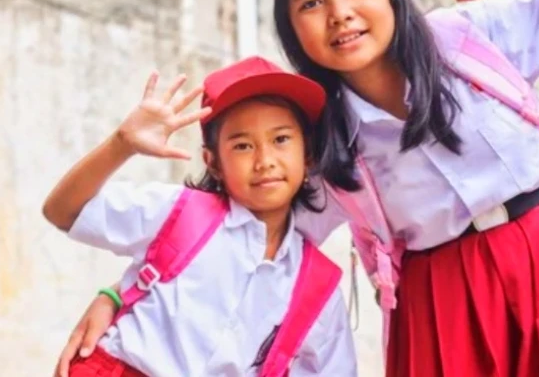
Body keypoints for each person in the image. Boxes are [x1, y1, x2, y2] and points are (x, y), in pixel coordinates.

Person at [57, 0, 539, 377]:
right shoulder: (322, 145)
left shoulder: (470, 40)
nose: (339, 13)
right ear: (293, 29)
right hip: (441, 295)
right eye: (310, 3)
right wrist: (120, 294)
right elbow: (244, 242)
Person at [43, 56, 357, 376]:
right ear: (213, 163)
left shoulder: (318, 286)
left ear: (308, 155)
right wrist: (121, 145)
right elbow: (61, 211)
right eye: (243, 146)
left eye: (280, 140)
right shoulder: (179, 211)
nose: (264, 161)